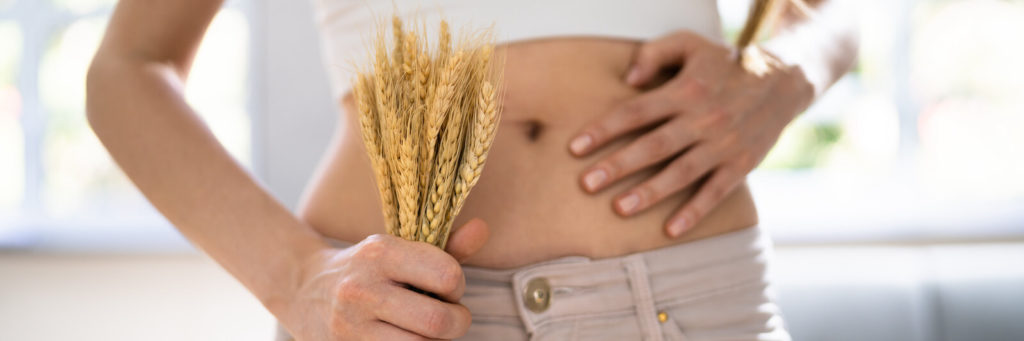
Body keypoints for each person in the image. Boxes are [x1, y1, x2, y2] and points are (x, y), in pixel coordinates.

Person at [87, 0, 858, 340]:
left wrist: (788, 66)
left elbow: (833, 10)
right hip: (399, 317)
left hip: (687, 303)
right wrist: (298, 280)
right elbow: (127, 68)